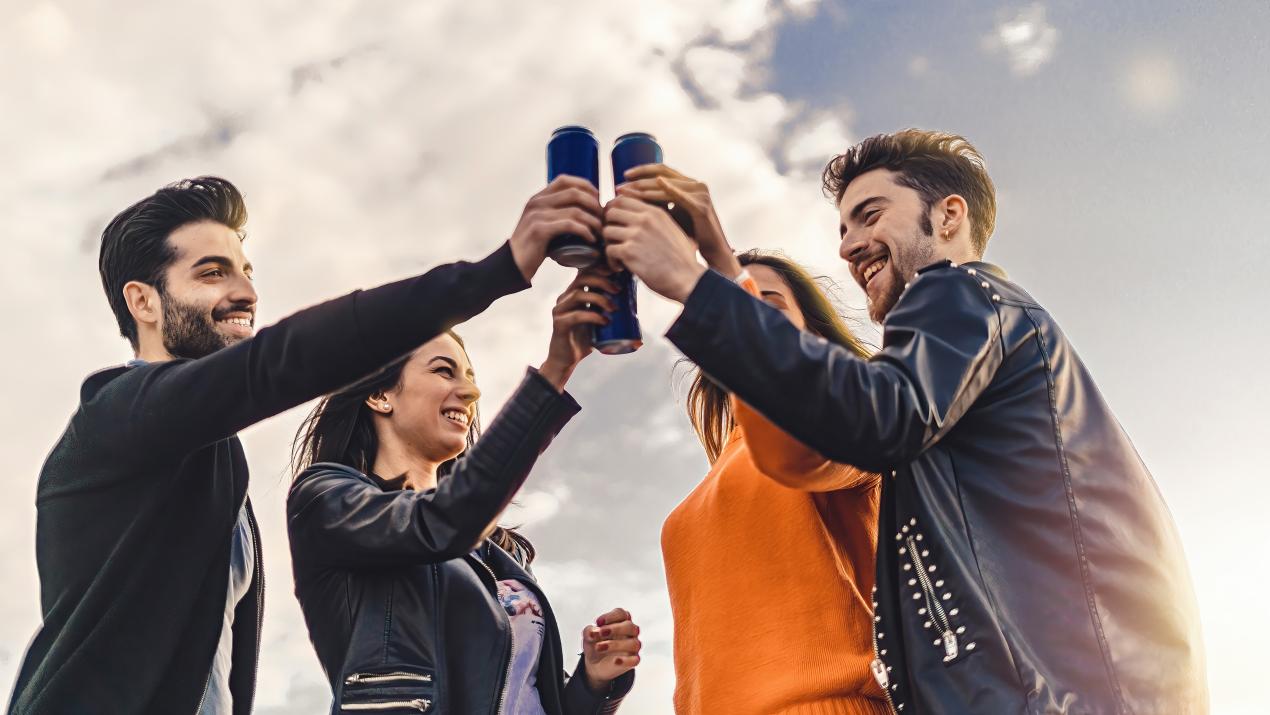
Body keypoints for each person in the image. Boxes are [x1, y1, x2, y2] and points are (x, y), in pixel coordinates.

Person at [603, 131, 1207, 713]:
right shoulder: (960, 357)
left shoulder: (958, 293)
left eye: (870, 214)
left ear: (948, 217)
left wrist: (701, 281)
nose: (847, 245)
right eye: (843, 228)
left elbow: (862, 423)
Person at [9, 174, 602, 714]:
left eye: (247, 271)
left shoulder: (214, 462)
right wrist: (499, 270)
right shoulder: (115, 413)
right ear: (144, 302)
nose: (245, 292)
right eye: (213, 273)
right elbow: (281, 361)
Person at [287, 268, 639, 714]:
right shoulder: (327, 502)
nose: (471, 391)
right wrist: (555, 369)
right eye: (443, 371)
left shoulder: (492, 552)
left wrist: (595, 682)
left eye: (469, 376)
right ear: (379, 394)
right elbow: (441, 522)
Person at [657, 242, 890, 713]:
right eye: (735, 304)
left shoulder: (847, 412)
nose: (748, 317)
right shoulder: (723, 469)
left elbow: (801, 448)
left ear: (813, 335)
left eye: (769, 306)